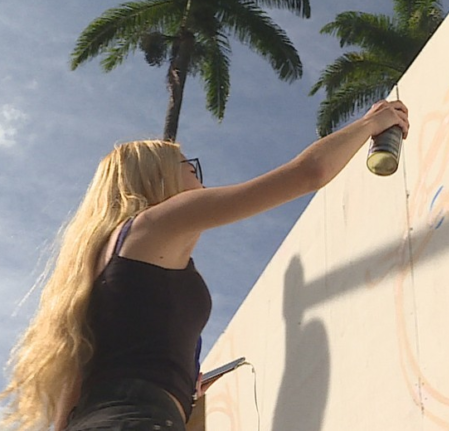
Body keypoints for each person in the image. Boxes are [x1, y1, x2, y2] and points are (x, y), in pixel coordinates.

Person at [0, 100, 409, 431]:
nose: (198, 177)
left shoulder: (98, 266)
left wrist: (179, 385)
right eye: (188, 166)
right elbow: (308, 173)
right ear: (158, 179)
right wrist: (370, 125)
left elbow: (75, 390)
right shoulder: (157, 223)